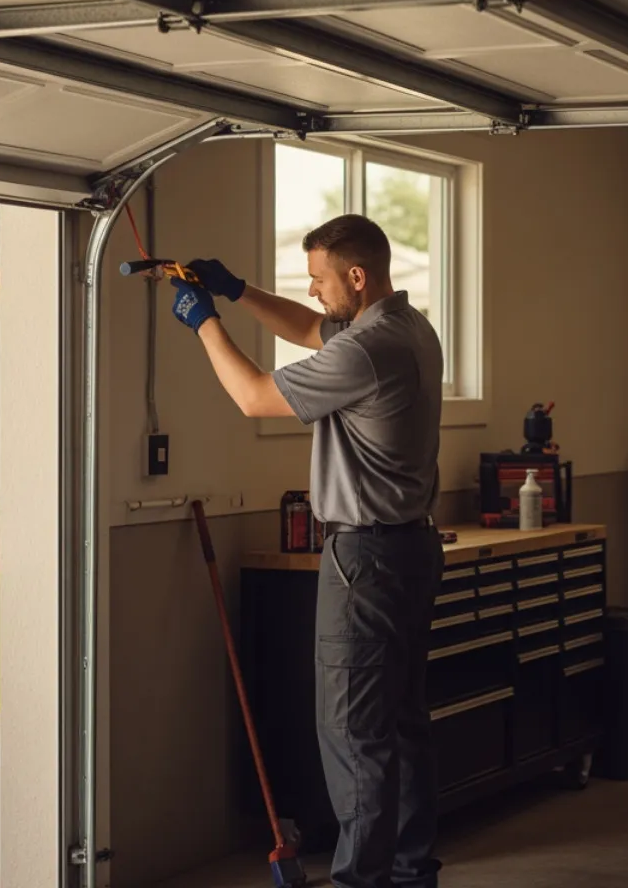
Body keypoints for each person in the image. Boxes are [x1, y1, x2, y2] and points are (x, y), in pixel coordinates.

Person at [167, 214, 445, 888]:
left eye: (321, 279)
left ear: (357, 276)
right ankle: (410, 872)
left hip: (367, 563)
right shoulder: (407, 328)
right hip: (410, 551)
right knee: (400, 726)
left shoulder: (367, 353)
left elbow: (254, 397)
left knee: (355, 738)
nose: (314, 290)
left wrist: (204, 321)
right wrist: (238, 290)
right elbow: (307, 328)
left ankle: (361, 880)